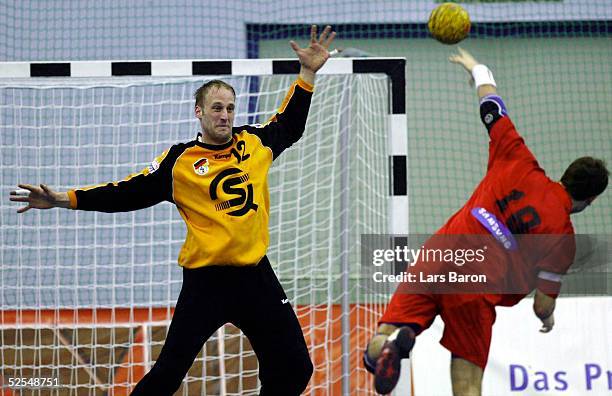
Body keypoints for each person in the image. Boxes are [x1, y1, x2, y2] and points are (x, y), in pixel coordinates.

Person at [10, 25, 336, 396]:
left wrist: (308, 73)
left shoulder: (256, 143)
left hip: (255, 277)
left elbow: (289, 125)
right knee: (167, 375)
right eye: (216, 108)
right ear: (199, 112)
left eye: (229, 108)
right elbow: (126, 193)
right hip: (206, 283)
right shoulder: (179, 163)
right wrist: (64, 198)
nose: (225, 116)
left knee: (295, 367)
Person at [363, 48, 609, 396]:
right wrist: (546, 318)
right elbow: (542, 303)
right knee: (467, 385)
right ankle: (395, 344)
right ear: (593, 199)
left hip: (438, 254)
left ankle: (390, 344)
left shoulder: (518, 158)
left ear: (565, 174)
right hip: (475, 287)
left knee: (382, 336)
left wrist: (478, 69)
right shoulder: (562, 238)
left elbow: (492, 107)